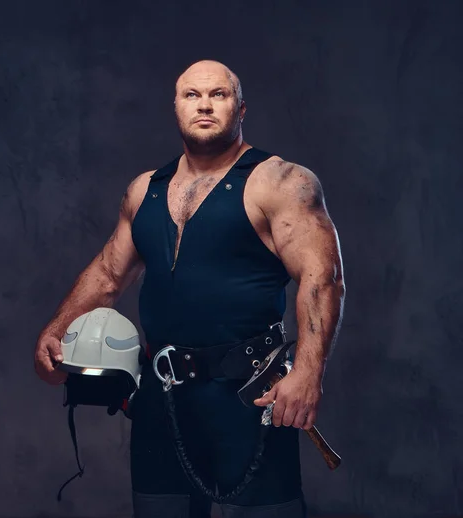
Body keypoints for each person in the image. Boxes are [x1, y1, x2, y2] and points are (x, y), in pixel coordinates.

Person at [34, 60, 346, 518]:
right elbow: (107, 275)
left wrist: (308, 372)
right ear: (176, 107)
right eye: (191, 95)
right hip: (163, 397)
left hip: (250, 393)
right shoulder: (146, 190)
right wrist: (56, 332)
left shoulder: (280, 182)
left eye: (218, 94)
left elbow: (324, 278)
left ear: (241, 108)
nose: (204, 104)